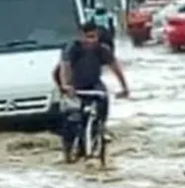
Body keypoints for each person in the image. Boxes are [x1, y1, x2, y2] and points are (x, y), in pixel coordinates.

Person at [54, 21, 130, 153]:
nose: (92, 41)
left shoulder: (101, 49)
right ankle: (70, 144)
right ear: (81, 36)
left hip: (93, 83)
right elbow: (65, 67)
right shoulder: (73, 48)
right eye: (88, 37)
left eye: (94, 37)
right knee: (72, 117)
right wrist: (66, 85)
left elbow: (116, 68)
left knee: (104, 97)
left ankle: (101, 128)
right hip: (73, 85)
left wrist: (124, 88)